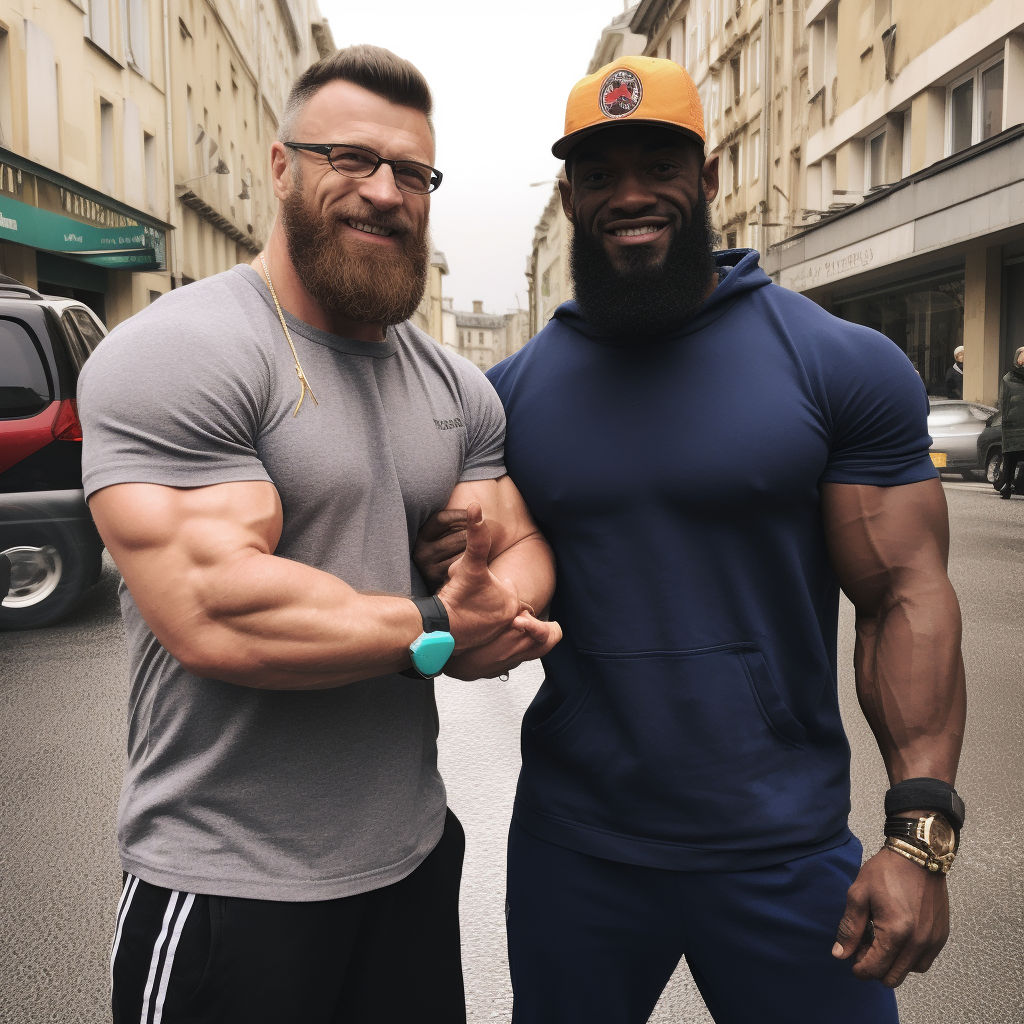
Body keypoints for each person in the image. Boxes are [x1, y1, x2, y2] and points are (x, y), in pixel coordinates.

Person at [415, 56, 966, 1024]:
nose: (629, 194)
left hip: (784, 848)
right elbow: (482, 600)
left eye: (659, 163)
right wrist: (463, 615)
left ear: (708, 180)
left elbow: (903, 594)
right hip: (575, 848)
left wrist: (917, 839)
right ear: (570, 195)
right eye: (599, 172)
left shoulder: (838, 363)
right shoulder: (506, 396)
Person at [78, 45, 559, 1024]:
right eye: (350, 158)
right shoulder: (186, 350)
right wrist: (435, 628)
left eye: (412, 173)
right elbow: (217, 612)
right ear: (281, 166)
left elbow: (517, 542)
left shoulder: (451, 385)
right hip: (227, 884)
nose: (385, 192)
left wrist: (491, 613)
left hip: (413, 861)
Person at [996, 345, 1024, 498]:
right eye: (1022, 354)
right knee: (1010, 459)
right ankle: (1007, 485)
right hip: (1012, 426)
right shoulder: (1008, 379)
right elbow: (1003, 403)